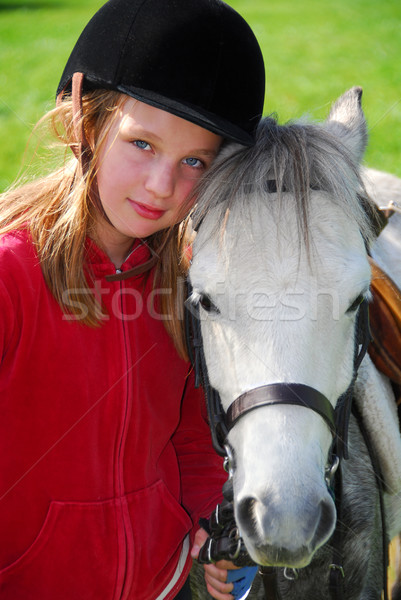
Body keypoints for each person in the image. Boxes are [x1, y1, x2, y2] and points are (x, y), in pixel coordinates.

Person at [0, 0, 265, 599]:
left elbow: (190, 437)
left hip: (160, 585)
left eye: (194, 161)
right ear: (82, 122)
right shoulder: (10, 276)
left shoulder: (183, 288)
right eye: (142, 144)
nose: (160, 185)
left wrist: (206, 526)